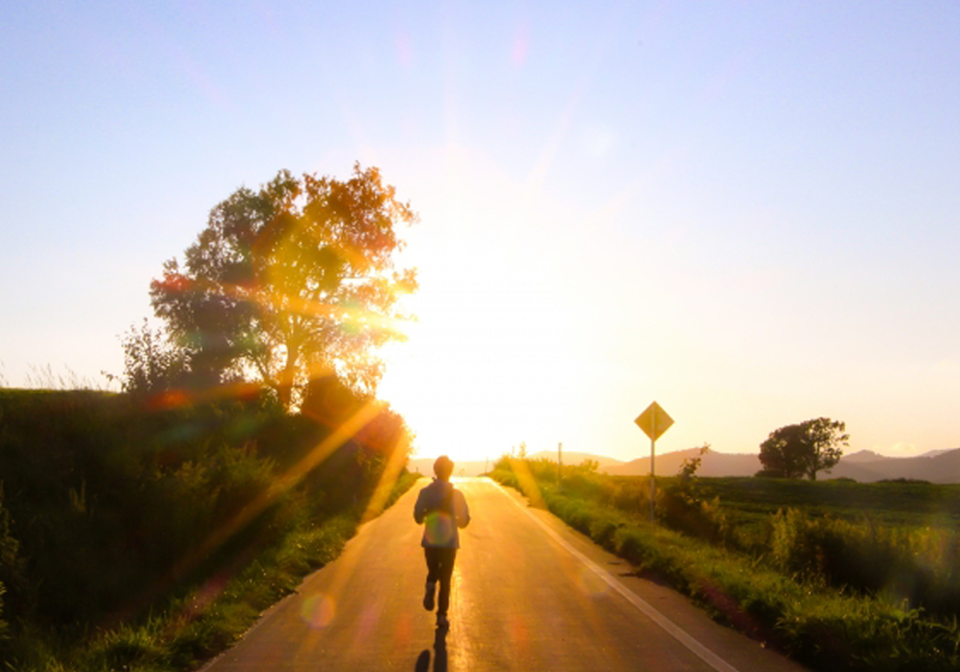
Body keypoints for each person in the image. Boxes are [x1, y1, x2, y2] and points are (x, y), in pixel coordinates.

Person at [413, 455, 470, 629]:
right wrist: (458, 520)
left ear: (435, 471)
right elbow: (465, 521)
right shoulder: (456, 494)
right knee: (445, 579)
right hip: (449, 543)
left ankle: (430, 584)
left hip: (430, 541)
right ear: (451, 472)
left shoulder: (425, 492)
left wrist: (425, 516)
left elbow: (417, 517)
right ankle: (441, 616)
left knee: (432, 570)